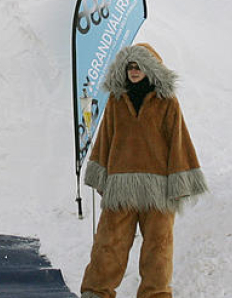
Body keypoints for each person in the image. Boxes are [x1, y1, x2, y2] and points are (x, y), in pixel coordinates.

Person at [80, 43, 207, 298]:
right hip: (121, 187)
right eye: (130, 66)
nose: (134, 71)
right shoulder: (116, 101)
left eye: (139, 66)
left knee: (158, 249)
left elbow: (178, 141)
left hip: (158, 189)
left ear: (151, 69)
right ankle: (96, 292)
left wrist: (178, 183)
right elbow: (106, 138)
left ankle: (156, 294)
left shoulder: (167, 103)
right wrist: (101, 178)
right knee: (109, 245)